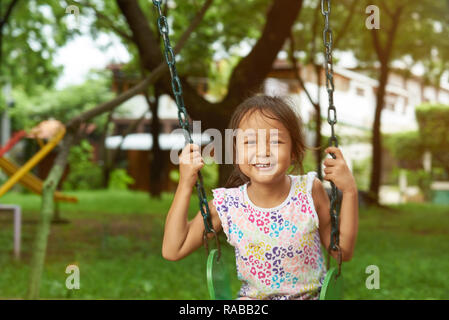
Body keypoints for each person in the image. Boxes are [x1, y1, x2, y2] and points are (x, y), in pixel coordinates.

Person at [162, 95, 358, 300]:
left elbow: (342, 252)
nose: (263, 151)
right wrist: (185, 184)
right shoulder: (228, 205)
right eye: (249, 142)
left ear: (293, 151)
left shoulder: (309, 192)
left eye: (275, 141)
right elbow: (173, 249)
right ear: (236, 153)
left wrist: (350, 192)